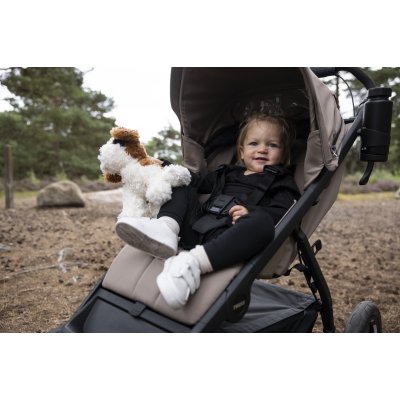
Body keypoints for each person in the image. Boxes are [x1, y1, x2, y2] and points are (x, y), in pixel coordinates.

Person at [115, 112, 300, 309]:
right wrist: (165, 166)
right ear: (241, 151)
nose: (262, 149)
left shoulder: (282, 181)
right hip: (195, 227)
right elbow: (197, 181)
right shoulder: (227, 172)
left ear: (284, 154)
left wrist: (251, 212)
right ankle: (166, 228)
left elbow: (284, 212)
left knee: (262, 222)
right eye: (254, 143)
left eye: (272, 145)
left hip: (229, 237)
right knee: (180, 183)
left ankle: (193, 264)